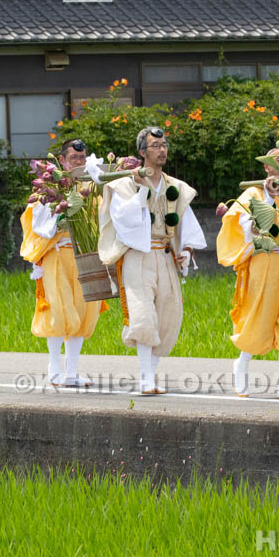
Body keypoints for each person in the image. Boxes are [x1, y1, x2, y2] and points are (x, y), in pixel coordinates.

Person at [98, 127, 206, 394]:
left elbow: (187, 223)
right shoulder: (122, 184)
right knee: (143, 315)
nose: (162, 150)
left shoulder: (176, 187)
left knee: (168, 315)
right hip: (138, 255)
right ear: (142, 152)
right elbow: (124, 221)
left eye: (164, 144)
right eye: (156, 145)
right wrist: (140, 189)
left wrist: (188, 251)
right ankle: (146, 378)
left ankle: (151, 375)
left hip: (165, 255)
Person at [217, 149, 279, 399]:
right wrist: (270, 200)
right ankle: (241, 364)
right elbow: (245, 226)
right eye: (276, 163)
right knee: (259, 317)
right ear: (266, 168)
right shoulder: (253, 192)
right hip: (265, 261)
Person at [20, 139, 105, 387]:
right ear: (62, 161)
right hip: (57, 256)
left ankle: (71, 372)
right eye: (74, 159)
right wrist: (61, 211)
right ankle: (54, 369)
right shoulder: (47, 189)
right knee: (58, 310)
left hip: (84, 256)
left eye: (82, 158)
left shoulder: (91, 189)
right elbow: (40, 228)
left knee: (82, 311)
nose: (79, 163)